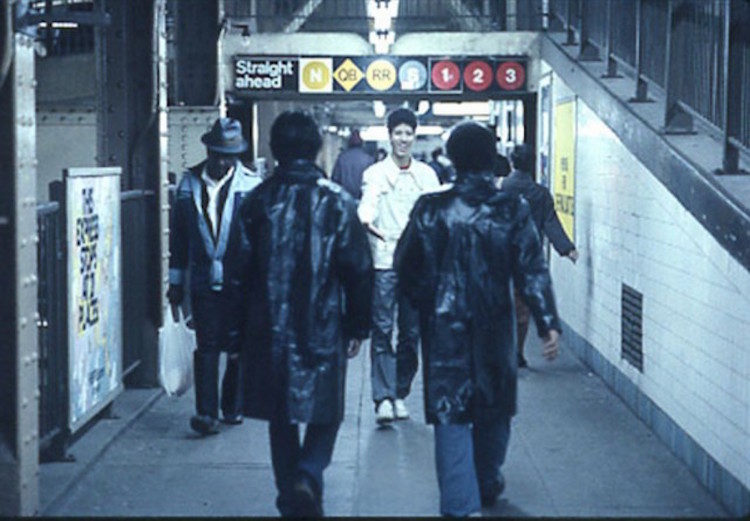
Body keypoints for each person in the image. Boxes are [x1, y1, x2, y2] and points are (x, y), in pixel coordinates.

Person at [394, 122, 561, 517]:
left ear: (451, 159)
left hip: (444, 329)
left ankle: (460, 506)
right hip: (495, 327)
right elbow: (531, 270)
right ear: (491, 159)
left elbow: (406, 267)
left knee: (451, 415)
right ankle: (486, 478)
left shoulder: (430, 209)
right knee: (495, 409)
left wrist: (424, 305)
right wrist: (546, 321)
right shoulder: (512, 209)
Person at [235, 111, 374, 517]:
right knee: (326, 409)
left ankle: (289, 494)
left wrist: (232, 334)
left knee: (281, 416)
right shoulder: (338, 202)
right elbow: (358, 270)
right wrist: (358, 325)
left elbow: (238, 273)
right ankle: (309, 475)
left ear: (275, 150)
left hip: (269, 328)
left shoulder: (257, 202)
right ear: (315, 149)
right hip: (323, 324)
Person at [167, 117, 262, 435]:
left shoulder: (251, 186)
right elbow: (178, 239)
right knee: (206, 345)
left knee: (237, 345)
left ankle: (232, 407)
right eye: (218, 153)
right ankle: (206, 414)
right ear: (208, 150)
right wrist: (176, 283)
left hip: (242, 280)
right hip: (203, 279)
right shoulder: (188, 185)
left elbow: (261, 239)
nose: (223, 161)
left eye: (229, 155)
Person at [358, 107, 441, 424]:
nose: (403, 139)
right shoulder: (375, 173)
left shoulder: (427, 176)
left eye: (408, 133)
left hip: (416, 266)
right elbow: (368, 203)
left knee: (410, 333)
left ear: (414, 136)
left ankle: (399, 392)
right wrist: (365, 220)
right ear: (389, 135)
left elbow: (436, 212)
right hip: (384, 262)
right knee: (381, 329)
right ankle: (382, 399)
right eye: (398, 133)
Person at [501, 143, 578, 368]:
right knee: (522, 311)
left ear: (512, 162)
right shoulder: (540, 193)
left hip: (500, 257)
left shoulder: (501, 188)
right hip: (527, 260)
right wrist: (567, 249)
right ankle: (518, 352)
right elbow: (550, 223)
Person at [331, 129, 374, 201]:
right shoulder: (369, 159)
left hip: (345, 201)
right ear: (362, 144)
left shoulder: (342, 158)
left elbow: (335, 180)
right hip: (364, 200)